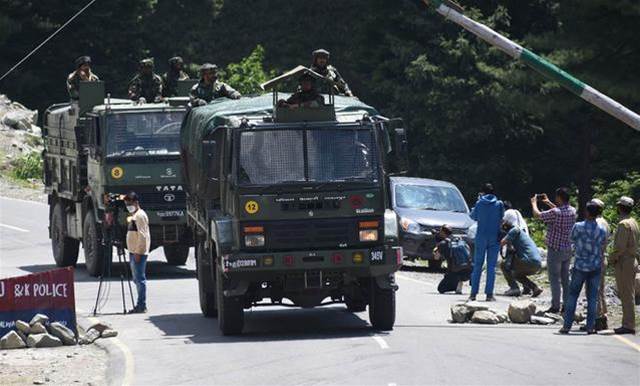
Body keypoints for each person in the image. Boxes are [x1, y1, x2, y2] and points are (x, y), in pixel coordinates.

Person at [559, 202, 607, 334]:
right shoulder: (602, 229)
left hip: (580, 265)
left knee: (573, 295)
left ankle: (566, 326)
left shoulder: (578, 227)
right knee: (592, 297)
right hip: (595, 266)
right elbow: (603, 244)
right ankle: (590, 327)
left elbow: (571, 239)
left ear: (587, 212)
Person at [531, 188, 576, 313]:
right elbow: (559, 210)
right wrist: (548, 202)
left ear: (560, 198)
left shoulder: (556, 212)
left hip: (555, 250)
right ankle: (566, 306)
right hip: (567, 249)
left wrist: (534, 203)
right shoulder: (572, 211)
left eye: (557, 197)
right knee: (565, 279)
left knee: (555, 278)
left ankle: (555, 305)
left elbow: (537, 215)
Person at [469, 183, 504, 301]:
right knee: (491, 266)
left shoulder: (479, 203)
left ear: (482, 192)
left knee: (477, 265)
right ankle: (489, 294)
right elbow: (502, 218)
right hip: (494, 237)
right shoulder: (499, 204)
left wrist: (477, 202)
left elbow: (473, 216)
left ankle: (473, 294)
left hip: (481, 237)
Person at [609, 196, 639, 335]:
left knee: (626, 294)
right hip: (631, 260)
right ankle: (628, 323)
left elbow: (620, 247)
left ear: (620, 207)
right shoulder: (633, 222)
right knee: (629, 293)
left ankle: (628, 324)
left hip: (624, 261)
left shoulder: (623, 224)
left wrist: (612, 258)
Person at [499, 216, 543, 297]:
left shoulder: (514, 230)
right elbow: (512, 249)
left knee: (503, 265)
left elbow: (502, 242)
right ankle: (533, 288)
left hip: (528, 262)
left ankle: (514, 288)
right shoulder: (521, 234)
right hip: (537, 264)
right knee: (518, 274)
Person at [124, 192, 150, 314]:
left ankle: (141, 305)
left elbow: (143, 236)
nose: (128, 206)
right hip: (133, 251)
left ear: (136, 202)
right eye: (127, 204)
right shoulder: (134, 215)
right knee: (136, 279)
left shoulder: (140, 216)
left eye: (130, 203)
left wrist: (139, 252)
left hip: (137, 252)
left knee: (139, 279)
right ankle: (140, 304)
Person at [589, 198, 610, 331]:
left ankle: (596, 321)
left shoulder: (595, 223)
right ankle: (603, 318)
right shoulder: (605, 223)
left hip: (594, 259)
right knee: (600, 291)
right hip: (602, 257)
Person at [434, 225, 472, 294]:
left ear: (443, 232)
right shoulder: (460, 240)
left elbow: (436, 258)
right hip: (468, 271)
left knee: (441, 289)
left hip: (454, 272)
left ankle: (456, 283)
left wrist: (437, 246)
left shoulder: (443, 243)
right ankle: (460, 282)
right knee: (458, 272)